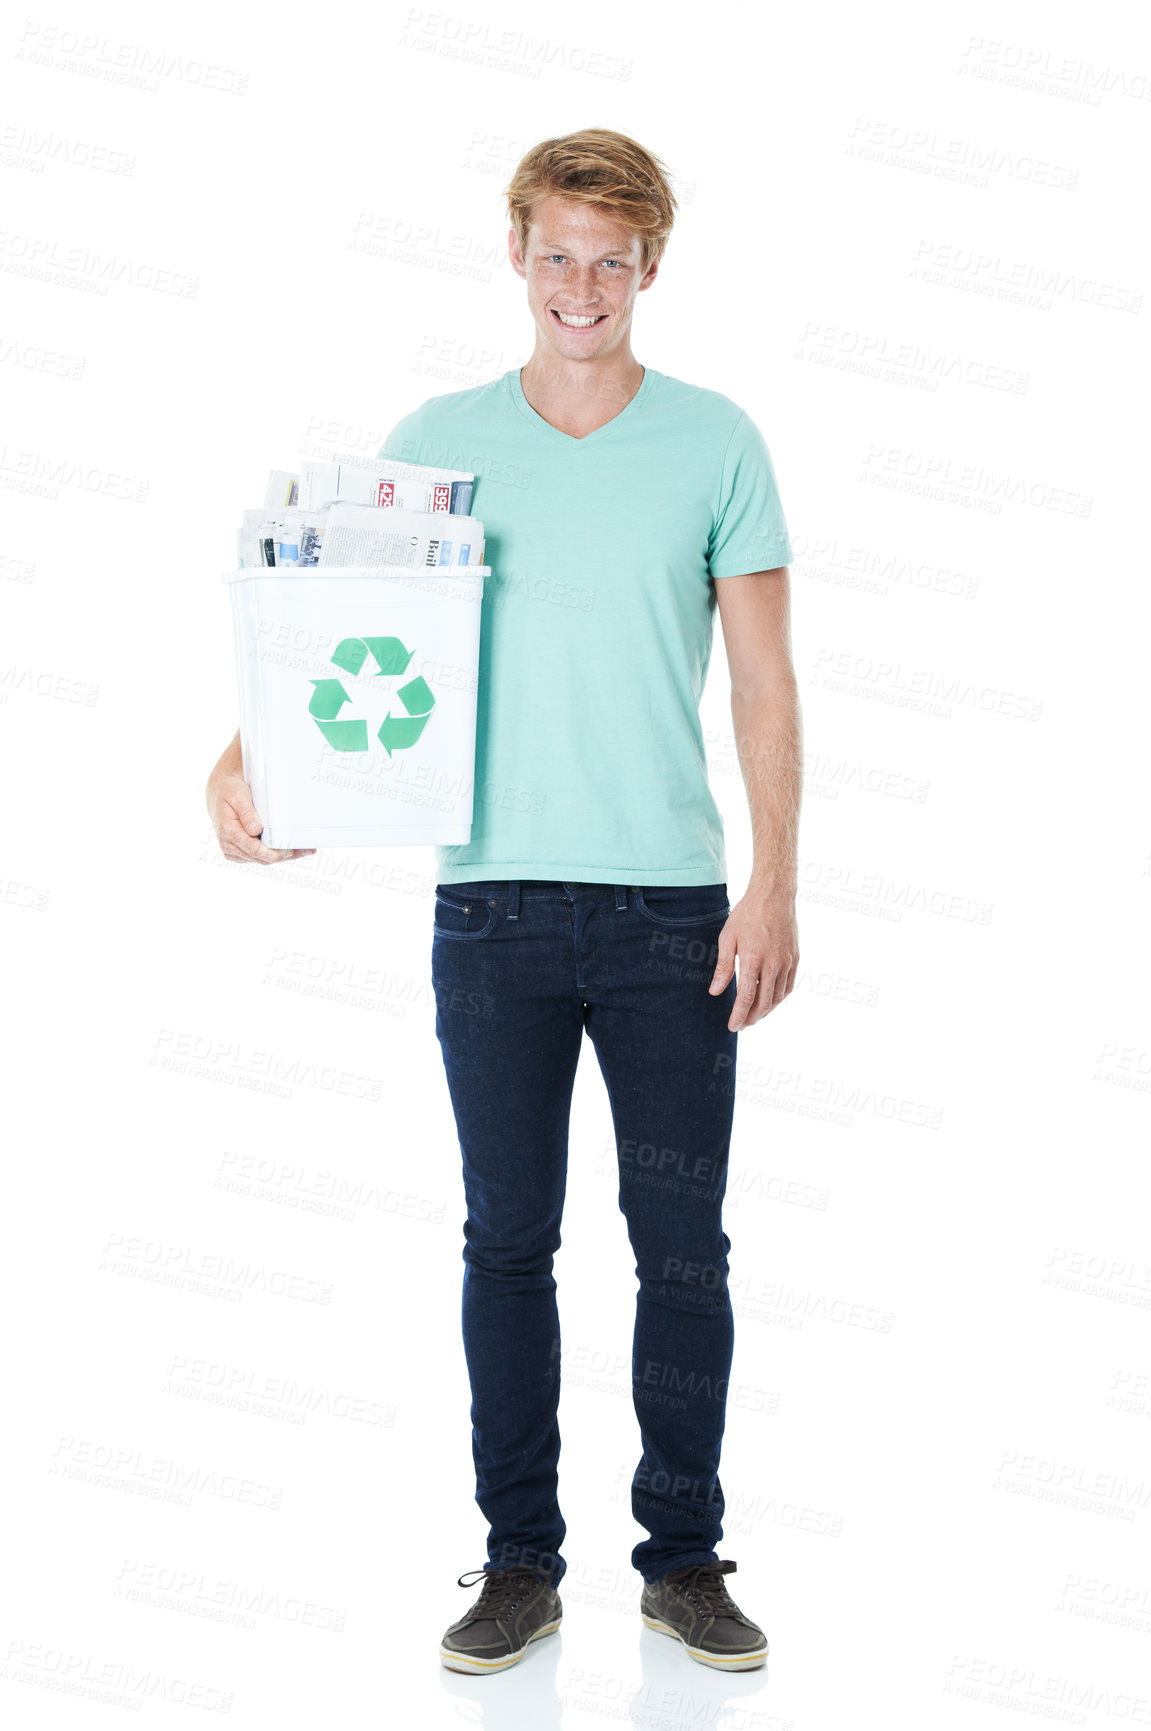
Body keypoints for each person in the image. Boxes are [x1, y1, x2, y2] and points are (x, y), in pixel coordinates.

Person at [206, 126, 801, 1676]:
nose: (583, 285)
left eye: (613, 257)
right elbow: (337, 629)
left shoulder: (719, 444)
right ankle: (519, 1564)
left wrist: (779, 882)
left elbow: (763, 684)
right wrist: (247, 760)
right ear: (518, 256)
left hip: (675, 910)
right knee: (505, 1243)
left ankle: (683, 1561)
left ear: (650, 265)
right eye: (558, 253)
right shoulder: (440, 441)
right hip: (496, 913)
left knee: (683, 1249)